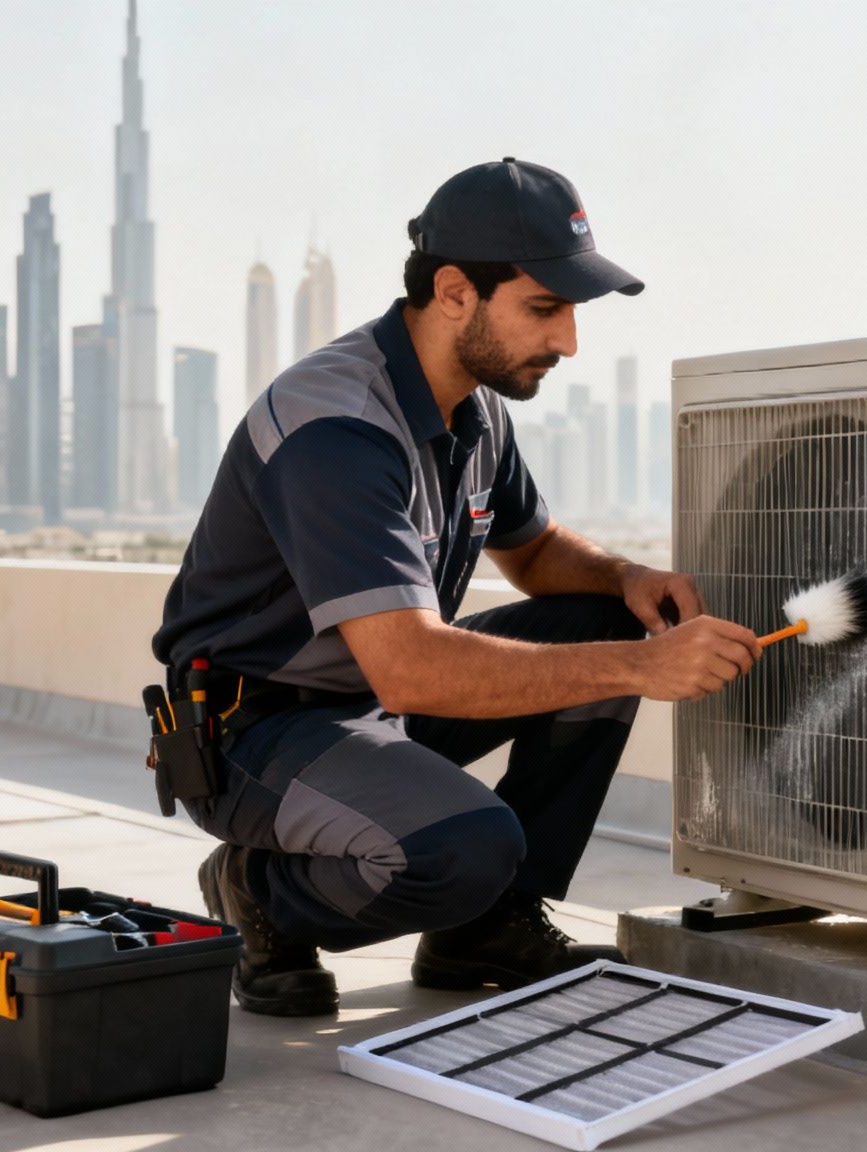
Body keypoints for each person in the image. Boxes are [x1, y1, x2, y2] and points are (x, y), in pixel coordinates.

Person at [151, 158, 762, 1016]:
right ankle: (258, 889)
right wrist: (642, 667)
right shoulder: (336, 426)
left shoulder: (474, 409)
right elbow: (412, 669)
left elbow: (536, 549)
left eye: (572, 311)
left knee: (599, 616)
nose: (568, 341)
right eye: (544, 309)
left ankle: (488, 929)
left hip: (372, 708)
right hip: (258, 731)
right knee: (466, 849)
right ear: (452, 291)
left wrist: (626, 578)